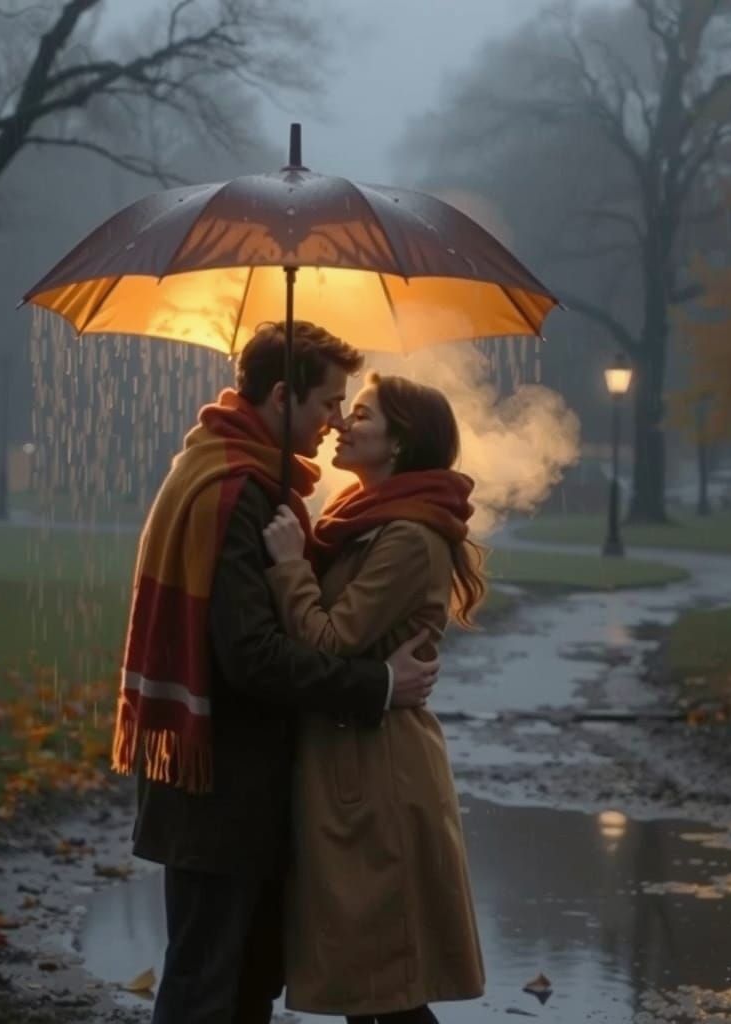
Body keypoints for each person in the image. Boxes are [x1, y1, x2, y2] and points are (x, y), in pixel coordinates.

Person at [111, 323, 440, 1024]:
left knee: (240, 981)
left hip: (229, 786)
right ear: (283, 394)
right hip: (222, 787)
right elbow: (251, 656)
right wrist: (377, 685)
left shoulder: (235, 474)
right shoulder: (238, 492)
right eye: (327, 402)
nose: (332, 422)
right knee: (210, 985)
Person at [262, 373, 486, 1024]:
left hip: (377, 775)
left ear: (399, 442)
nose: (340, 424)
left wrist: (288, 566)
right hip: (352, 760)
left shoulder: (408, 536)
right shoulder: (365, 520)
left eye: (361, 415)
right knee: (374, 988)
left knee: (386, 989)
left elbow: (331, 639)